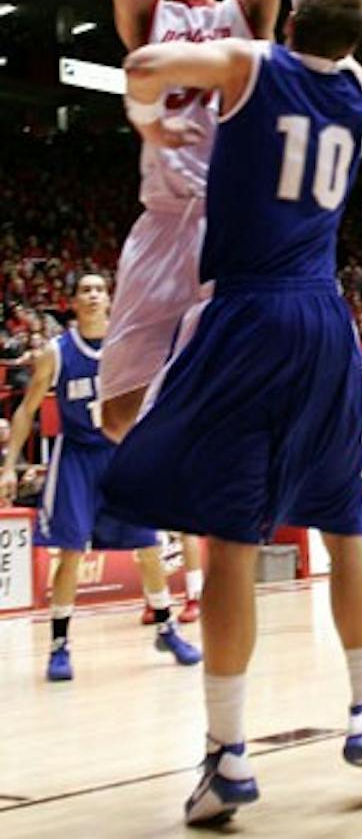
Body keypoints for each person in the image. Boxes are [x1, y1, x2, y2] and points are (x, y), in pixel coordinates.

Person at [101, 0, 362, 825]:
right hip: (325, 319)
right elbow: (326, 4)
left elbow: (143, 66)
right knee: (346, 523)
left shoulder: (248, 63)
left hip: (247, 314)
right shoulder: (357, 87)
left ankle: (228, 757)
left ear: (289, 23)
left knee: (232, 540)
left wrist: (152, 125)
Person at [100, 0, 288, 440]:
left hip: (234, 220)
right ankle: (197, 445)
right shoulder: (147, 17)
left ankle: (229, 459)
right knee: (118, 414)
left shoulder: (247, 14)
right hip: (162, 220)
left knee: (246, 390)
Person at [0, 274, 200, 681]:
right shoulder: (55, 352)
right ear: (72, 302)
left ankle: (166, 627)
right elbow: (26, 409)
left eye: (99, 290)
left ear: (110, 300)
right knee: (71, 551)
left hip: (122, 453)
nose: (92, 295)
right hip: (76, 457)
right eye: (85, 290)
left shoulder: (129, 347)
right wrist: (8, 465)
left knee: (148, 546)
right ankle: (59, 645)